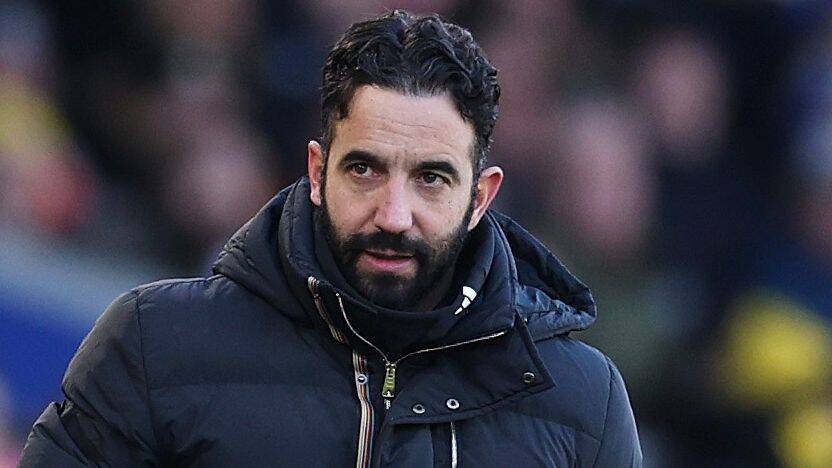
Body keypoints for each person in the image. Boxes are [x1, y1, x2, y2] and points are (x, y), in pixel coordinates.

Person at [20, 10, 641, 467]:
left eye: (431, 178)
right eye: (365, 169)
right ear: (317, 171)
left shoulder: (583, 402)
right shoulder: (155, 344)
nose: (393, 215)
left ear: (481, 197)